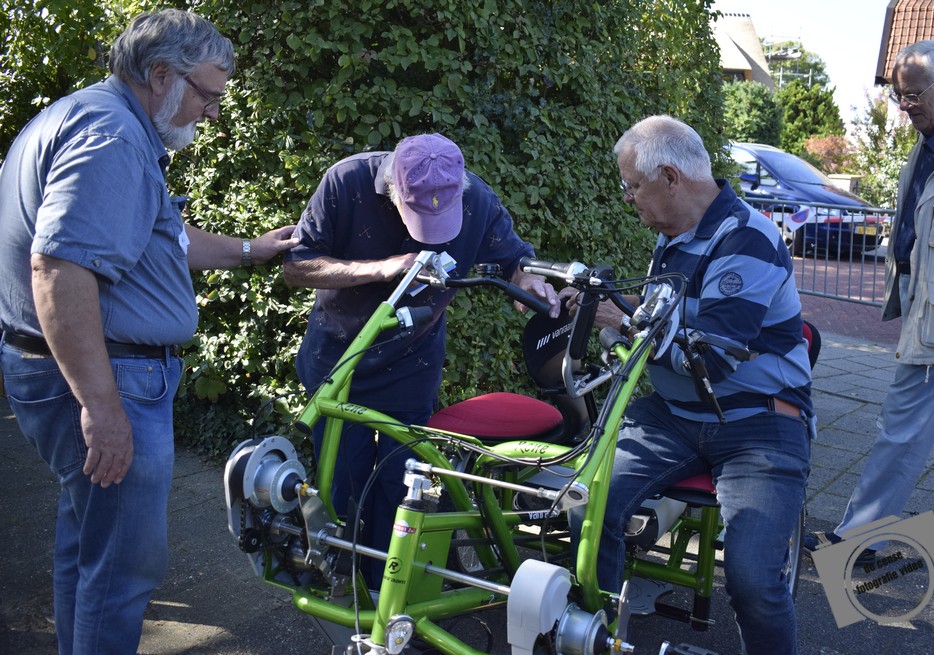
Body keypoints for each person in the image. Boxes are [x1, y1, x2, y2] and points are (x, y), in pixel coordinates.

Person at [0, 9, 298, 654]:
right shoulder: (112, 138)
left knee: (90, 548)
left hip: (77, 367)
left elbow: (163, 237)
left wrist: (251, 248)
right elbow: (58, 268)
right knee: (122, 569)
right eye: (208, 95)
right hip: (110, 376)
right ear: (162, 74)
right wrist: (102, 407)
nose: (212, 113)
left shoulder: (86, 115)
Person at [569, 115, 813, 655]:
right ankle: (596, 638)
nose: (627, 198)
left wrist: (621, 322)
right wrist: (600, 306)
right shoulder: (673, 235)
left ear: (670, 178)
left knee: (752, 578)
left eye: (633, 185)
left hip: (758, 422)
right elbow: (665, 319)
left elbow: (711, 360)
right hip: (677, 415)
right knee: (586, 506)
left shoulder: (748, 238)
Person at [283, 132, 560, 585]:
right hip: (339, 361)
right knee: (344, 485)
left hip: (413, 366)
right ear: (392, 188)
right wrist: (383, 268)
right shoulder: (346, 181)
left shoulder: (476, 198)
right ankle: (343, 584)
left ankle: (384, 592)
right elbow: (297, 266)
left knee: (402, 485)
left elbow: (516, 259)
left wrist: (528, 281)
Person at [805, 40, 934, 562]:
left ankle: (860, 540)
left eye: (913, 95)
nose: (904, 107)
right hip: (932, 306)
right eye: (899, 96)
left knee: (903, 426)